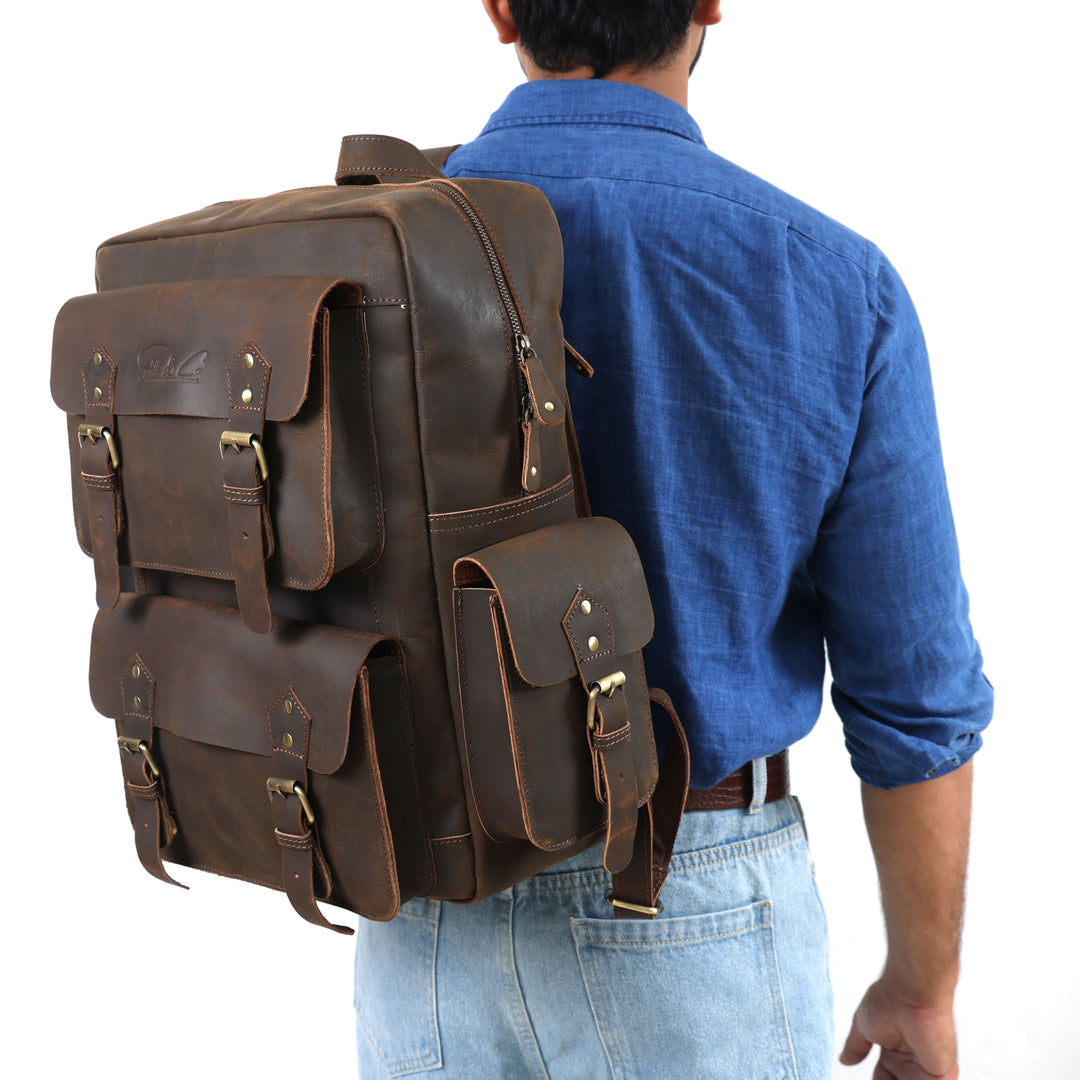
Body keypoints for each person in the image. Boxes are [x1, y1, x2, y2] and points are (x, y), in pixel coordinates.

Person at [352, 3, 993, 1078]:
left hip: (421, 904)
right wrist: (922, 989)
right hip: (692, 908)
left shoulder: (369, 243)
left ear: (500, 8)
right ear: (706, 4)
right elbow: (916, 700)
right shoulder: (832, 280)